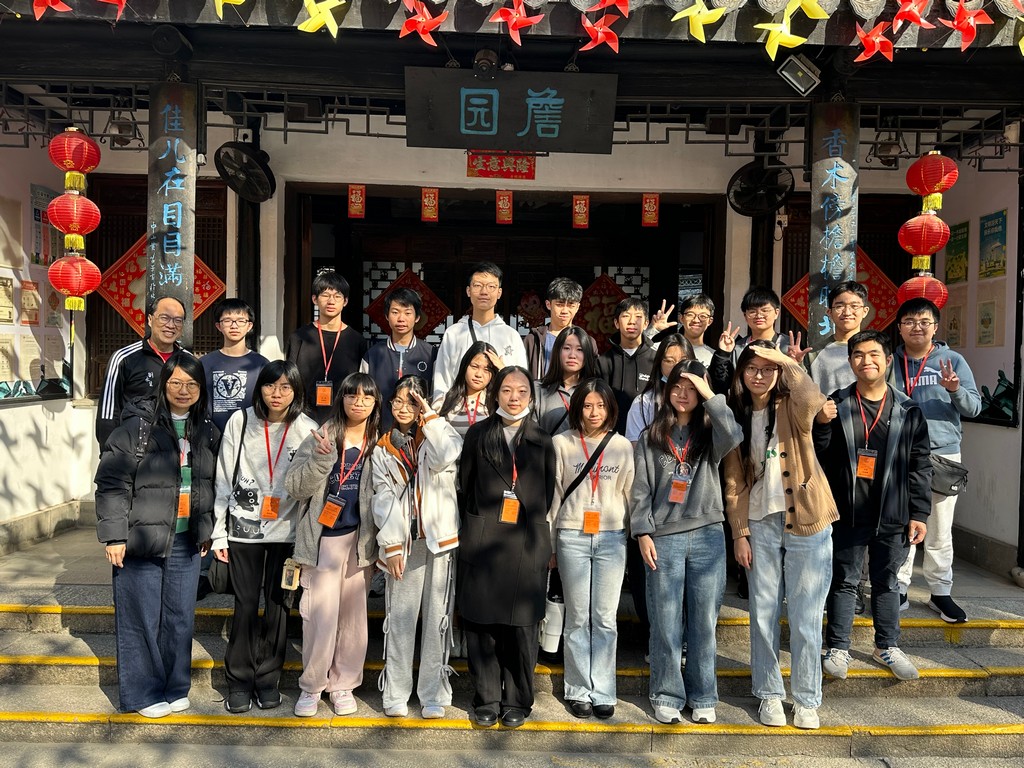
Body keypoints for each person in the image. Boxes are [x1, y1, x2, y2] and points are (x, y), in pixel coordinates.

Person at [94, 353, 219, 718]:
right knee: (141, 616)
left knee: (180, 618)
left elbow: (208, 485)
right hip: (141, 538)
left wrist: (206, 529)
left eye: (192, 384)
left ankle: (175, 687)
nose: (184, 390)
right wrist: (114, 536)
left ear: (201, 389)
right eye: (176, 382)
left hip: (186, 539)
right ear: (163, 384)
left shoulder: (206, 430)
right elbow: (112, 482)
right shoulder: (137, 426)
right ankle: (142, 693)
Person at [723, 343, 838, 730]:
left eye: (767, 369)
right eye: (752, 368)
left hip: (808, 520)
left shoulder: (791, 406)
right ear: (741, 373)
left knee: (806, 617)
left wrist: (788, 361)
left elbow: (813, 399)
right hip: (760, 524)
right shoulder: (737, 415)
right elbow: (734, 482)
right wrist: (739, 533)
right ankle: (769, 693)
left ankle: (806, 699)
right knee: (763, 614)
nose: (759, 375)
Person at [814, 330, 932, 682]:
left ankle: (887, 646)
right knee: (844, 580)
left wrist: (919, 513)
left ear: (887, 360)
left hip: (893, 511)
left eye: (874, 354)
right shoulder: (836, 404)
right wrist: (822, 424)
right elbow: (819, 456)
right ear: (850, 362)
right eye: (858, 355)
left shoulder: (908, 409)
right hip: (848, 511)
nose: (866, 361)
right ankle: (838, 646)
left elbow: (920, 463)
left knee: (887, 581)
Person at [630, 360, 742, 725]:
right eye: (677, 386)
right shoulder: (650, 436)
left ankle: (703, 695)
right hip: (664, 537)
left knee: (704, 621)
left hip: (708, 534)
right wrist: (642, 532)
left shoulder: (711, 434)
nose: (683, 394)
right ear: (666, 390)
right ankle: (667, 694)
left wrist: (710, 393)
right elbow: (640, 489)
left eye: (691, 388)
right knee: (666, 621)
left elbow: (734, 433)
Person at [211, 360, 317, 713]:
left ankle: (269, 679)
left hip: (288, 533)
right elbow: (224, 478)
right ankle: (239, 681)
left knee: (278, 606)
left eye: (286, 387)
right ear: (260, 388)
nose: (277, 393)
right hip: (244, 529)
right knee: (244, 605)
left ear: (296, 392)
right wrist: (219, 533)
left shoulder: (307, 428)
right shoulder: (240, 422)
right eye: (271, 385)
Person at [457, 366, 556, 729]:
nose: (514, 397)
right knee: (481, 623)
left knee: (522, 627)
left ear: (531, 396)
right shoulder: (478, 434)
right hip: (484, 538)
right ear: (495, 393)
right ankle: (486, 697)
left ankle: (517, 699)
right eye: (507, 390)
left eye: (522, 391)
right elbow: (465, 485)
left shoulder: (542, 439)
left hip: (526, 541)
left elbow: (547, 492)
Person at [285, 373, 381, 717]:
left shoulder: (379, 442)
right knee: (318, 617)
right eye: (352, 395)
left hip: (359, 542)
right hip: (322, 540)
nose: (359, 402)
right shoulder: (322, 436)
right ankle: (311, 686)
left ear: (375, 403)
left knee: (354, 621)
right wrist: (320, 459)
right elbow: (295, 487)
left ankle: (343, 685)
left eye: (367, 397)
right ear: (341, 398)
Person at [371, 375, 462, 720]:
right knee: (400, 619)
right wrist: (392, 545)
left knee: (438, 619)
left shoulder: (439, 434)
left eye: (412, 401)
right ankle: (395, 691)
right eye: (398, 401)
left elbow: (447, 456)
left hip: (438, 540)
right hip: (403, 544)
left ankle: (433, 692)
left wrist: (431, 418)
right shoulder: (383, 447)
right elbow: (382, 497)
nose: (404, 408)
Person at [549, 379, 634, 720]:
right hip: (571, 535)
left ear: (610, 408)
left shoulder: (622, 446)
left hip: (612, 536)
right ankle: (578, 689)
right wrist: (551, 544)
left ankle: (603, 690)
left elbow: (629, 494)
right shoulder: (561, 443)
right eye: (587, 405)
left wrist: (632, 535)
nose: (594, 412)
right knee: (578, 617)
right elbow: (554, 496)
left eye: (600, 405)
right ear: (578, 408)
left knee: (605, 618)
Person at [892, 298, 980, 623]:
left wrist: (955, 389)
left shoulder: (953, 360)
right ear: (899, 327)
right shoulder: (889, 361)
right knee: (901, 523)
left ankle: (940, 592)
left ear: (935, 327)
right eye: (910, 321)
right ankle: (898, 588)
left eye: (924, 321)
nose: (917, 327)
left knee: (940, 528)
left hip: (942, 453)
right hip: (900, 453)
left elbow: (974, 408)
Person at [806, 281, 871, 615]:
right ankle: (826, 585)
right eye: (840, 306)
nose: (847, 312)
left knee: (860, 518)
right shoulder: (817, 354)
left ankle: (853, 586)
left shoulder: (875, 348)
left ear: (865, 311)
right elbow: (808, 399)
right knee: (828, 517)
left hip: (867, 445)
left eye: (854, 305)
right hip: (829, 445)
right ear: (829, 312)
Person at [96, 295, 188, 448]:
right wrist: (109, 452)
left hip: (177, 447)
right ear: (150, 320)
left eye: (178, 320)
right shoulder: (124, 358)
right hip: (134, 447)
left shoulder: (188, 360)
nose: (171, 325)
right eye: (164, 318)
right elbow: (108, 413)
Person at [432, 262, 528, 402]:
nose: (484, 292)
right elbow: (442, 379)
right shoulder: (453, 333)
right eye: (477, 285)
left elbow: (522, 381)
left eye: (491, 286)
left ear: (499, 293)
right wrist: (441, 409)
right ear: (468, 291)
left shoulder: (511, 336)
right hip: (458, 410)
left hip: (499, 410)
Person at [286, 270, 368, 425]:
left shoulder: (357, 341)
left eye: (337, 296)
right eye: (325, 295)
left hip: (343, 419)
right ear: (314, 299)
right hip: (302, 418)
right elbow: (290, 380)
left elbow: (361, 383)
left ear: (345, 301)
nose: (331, 301)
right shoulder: (299, 337)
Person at [360, 287, 436, 431]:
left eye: (408, 313)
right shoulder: (373, 355)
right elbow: (363, 396)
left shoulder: (430, 354)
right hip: (381, 431)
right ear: (387, 316)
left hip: (420, 433)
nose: (401, 319)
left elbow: (435, 396)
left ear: (417, 317)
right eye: (395, 312)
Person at [202, 298, 269, 435]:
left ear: (249, 326)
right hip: (211, 437)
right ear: (218, 326)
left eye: (240, 320)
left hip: (251, 435)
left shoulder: (261, 364)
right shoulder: (204, 363)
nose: (234, 326)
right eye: (227, 320)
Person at [709, 287, 790, 394]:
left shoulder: (788, 346)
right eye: (752, 311)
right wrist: (723, 354)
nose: (759, 315)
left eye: (765, 310)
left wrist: (794, 363)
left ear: (776, 313)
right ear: (745, 316)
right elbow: (721, 386)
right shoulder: (737, 348)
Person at [598, 298, 659, 436]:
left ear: (646, 323)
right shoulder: (603, 361)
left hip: (649, 438)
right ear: (616, 323)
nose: (632, 321)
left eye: (638, 317)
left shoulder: (657, 360)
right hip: (611, 438)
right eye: (626, 316)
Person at [625, 333, 696, 443]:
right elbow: (635, 445)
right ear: (659, 364)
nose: (677, 366)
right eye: (669, 361)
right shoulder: (643, 403)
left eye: (683, 360)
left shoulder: (700, 400)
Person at [523, 277, 597, 381]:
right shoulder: (533, 341)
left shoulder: (588, 342)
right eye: (559, 305)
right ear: (548, 305)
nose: (565, 311)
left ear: (577, 307)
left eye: (571, 305)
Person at [535, 326, 599, 437]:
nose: (572, 355)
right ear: (557, 351)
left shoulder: (596, 391)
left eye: (579, 349)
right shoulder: (537, 389)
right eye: (567, 348)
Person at [435, 341, 501, 437]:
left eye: (487, 370)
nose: (479, 374)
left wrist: (503, 370)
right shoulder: (443, 401)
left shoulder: (498, 403)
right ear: (465, 366)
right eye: (474, 366)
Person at [647, 294, 716, 367]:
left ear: (710, 321)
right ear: (681, 318)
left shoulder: (714, 356)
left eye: (703, 316)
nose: (696, 320)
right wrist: (653, 330)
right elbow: (639, 351)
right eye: (690, 314)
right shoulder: (663, 347)